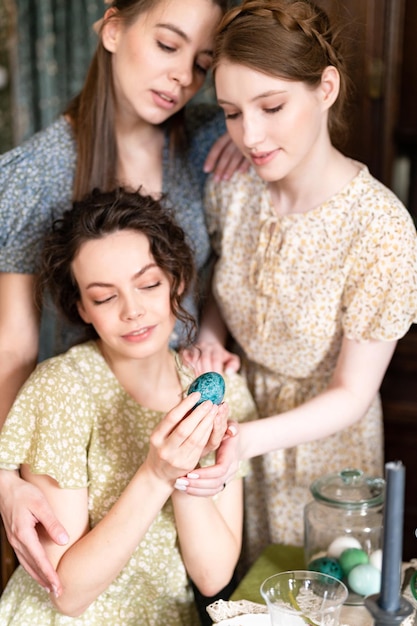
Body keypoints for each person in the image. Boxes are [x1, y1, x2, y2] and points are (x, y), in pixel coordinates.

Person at [0, 0, 247, 593]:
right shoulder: (33, 175)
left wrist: (253, 136)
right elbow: (13, 349)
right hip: (78, 446)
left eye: (202, 62)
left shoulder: (213, 137)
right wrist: (6, 479)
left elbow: (230, 272)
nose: (183, 78)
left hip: (192, 408)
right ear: (112, 27)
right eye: (168, 45)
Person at [181, 0, 417, 567]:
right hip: (240, 423)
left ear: (326, 87)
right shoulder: (234, 188)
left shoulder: (380, 227)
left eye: (272, 106)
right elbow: (222, 285)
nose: (250, 134)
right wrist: (213, 337)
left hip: (325, 452)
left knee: (322, 586)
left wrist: (250, 439)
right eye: (232, 113)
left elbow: (353, 394)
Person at [0, 187, 257, 625]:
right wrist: (156, 474)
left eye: (149, 284)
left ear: (176, 280)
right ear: (82, 307)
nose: (133, 310)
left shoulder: (218, 389)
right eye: (104, 297)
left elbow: (213, 576)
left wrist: (184, 469)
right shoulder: (62, 390)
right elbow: (66, 593)